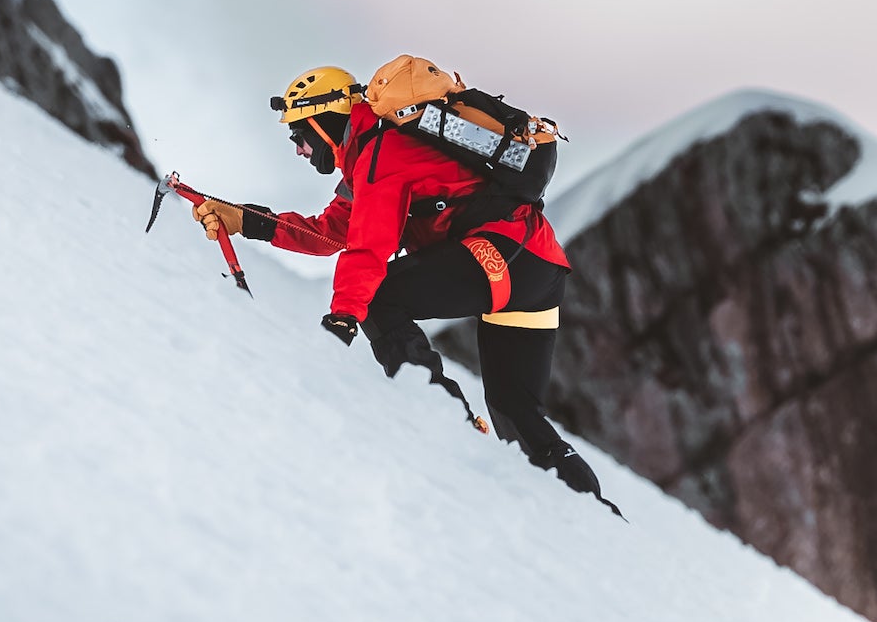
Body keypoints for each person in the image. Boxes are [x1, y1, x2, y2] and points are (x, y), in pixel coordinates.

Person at [190, 61, 615, 513]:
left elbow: (368, 248)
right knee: (515, 410)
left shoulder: (383, 154)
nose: (298, 149)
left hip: (501, 256)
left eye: (299, 134)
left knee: (379, 296)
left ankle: (443, 418)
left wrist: (344, 316)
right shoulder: (371, 163)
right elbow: (330, 233)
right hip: (535, 268)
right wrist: (246, 221)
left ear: (323, 121)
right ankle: (592, 514)